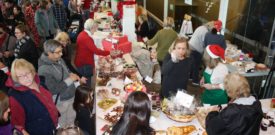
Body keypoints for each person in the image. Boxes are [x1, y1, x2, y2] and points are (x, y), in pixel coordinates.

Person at [5, 59, 59, 135]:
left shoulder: (40, 83)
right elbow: (18, 125)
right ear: (16, 78)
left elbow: (48, 102)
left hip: (53, 126)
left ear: (32, 72)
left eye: (27, 73)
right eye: (20, 76)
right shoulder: (15, 97)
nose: (26, 78)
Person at [38, 39, 82, 127]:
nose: (61, 54)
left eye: (61, 51)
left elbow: (65, 71)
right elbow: (52, 89)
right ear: (49, 53)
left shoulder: (59, 59)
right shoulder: (44, 69)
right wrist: (70, 80)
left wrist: (71, 74)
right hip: (61, 102)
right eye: (58, 52)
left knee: (71, 119)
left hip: (71, 96)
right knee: (62, 125)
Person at [74, 18, 110, 88]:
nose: (96, 30)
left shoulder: (82, 34)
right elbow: (96, 51)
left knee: (84, 82)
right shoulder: (86, 38)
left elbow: (91, 48)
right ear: (92, 27)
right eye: (95, 28)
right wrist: (109, 52)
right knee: (86, 83)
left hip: (81, 61)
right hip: (84, 63)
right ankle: (87, 95)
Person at [189, 21, 214, 85]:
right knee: (196, 65)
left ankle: (190, 77)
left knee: (192, 63)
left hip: (190, 46)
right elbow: (204, 42)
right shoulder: (205, 31)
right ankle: (195, 81)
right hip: (196, 48)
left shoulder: (200, 27)